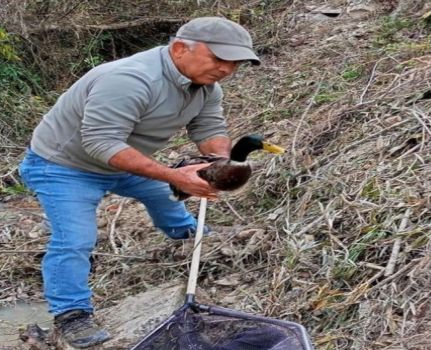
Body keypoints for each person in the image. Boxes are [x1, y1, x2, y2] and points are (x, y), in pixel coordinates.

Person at [19, 16, 260, 348]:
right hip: (64, 167)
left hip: (124, 159)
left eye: (235, 63)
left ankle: (193, 238)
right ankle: (71, 315)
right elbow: (101, 143)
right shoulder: (129, 79)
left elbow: (209, 130)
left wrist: (219, 161)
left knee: (166, 199)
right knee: (75, 239)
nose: (227, 70)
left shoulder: (205, 87)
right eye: (219, 59)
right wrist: (175, 175)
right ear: (179, 48)